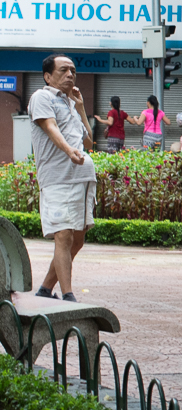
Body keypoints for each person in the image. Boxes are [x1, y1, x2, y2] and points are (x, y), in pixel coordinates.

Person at [28, 54, 97, 302]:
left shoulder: (70, 103)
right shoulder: (41, 97)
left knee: (77, 240)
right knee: (63, 235)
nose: (70, 74)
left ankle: (45, 289)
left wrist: (79, 106)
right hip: (58, 179)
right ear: (48, 76)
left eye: (73, 71)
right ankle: (68, 295)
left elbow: (88, 140)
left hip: (82, 179)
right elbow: (50, 127)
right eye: (63, 70)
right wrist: (69, 152)